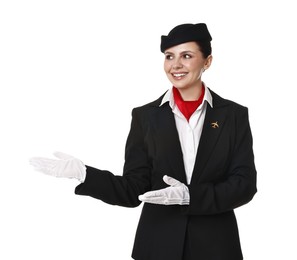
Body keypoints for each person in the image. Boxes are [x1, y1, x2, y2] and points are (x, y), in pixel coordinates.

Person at [30, 23, 257, 260]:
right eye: (169, 56)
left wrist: (191, 195)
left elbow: (244, 185)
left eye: (186, 56)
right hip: (157, 247)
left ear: (207, 61)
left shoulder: (233, 115)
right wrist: (85, 175)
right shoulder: (145, 116)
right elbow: (133, 190)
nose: (176, 65)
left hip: (216, 248)